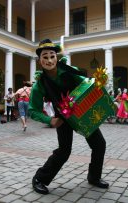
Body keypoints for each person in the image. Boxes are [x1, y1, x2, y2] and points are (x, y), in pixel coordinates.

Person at [29, 39, 109, 195]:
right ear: (40, 61)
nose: (49, 60)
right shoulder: (40, 84)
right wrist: (50, 120)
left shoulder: (68, 70)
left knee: (99, 144)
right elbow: (33, 110)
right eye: (45, 57)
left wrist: (98, 83)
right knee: (64, 151)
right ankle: (39, 179)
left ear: (56, 57)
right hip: (63, 118)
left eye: (52, 56)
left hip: (82, 112)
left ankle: (94, 177)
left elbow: (86, 82)